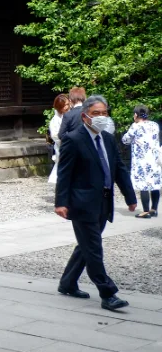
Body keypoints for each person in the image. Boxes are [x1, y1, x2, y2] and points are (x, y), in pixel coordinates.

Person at [55, 95, 137, 311]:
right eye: (96, 113)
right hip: (81, 203)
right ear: (85, 116)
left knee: (86, 246)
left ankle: (68, 283)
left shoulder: (108, 139)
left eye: (104, 113)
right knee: (93, 248)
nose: (101, 117)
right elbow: (64, 174)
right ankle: (107, 293)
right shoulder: (74, 139)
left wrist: (130, 197)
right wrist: (61, 202)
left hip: (104, 202)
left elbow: (119, 169)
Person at [121, 104, 161, 219]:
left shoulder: (136, 126)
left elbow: (125, 140)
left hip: (142, 160)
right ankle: (154, 209)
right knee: (154, 184)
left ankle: (145, 211)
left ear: (135, 115)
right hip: (154, 159)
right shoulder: (155, 125)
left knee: (144, 185)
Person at [48, 94, 71, 184]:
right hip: (62, 146)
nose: (67, 107)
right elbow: (55, 136)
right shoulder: (55, 120)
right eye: (65, 105)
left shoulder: (71, 115)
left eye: (68, 104)